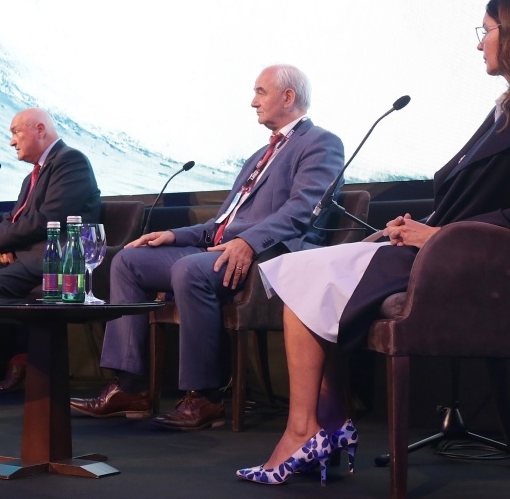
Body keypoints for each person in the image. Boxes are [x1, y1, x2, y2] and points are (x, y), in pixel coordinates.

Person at [239, 0, 510, 485]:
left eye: (487, 31)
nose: (479, 43)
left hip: (479, 267)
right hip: (453, 252)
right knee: (305, 273)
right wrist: (416, 229)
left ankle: (308, 431)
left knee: (307, 275)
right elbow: (484, 199)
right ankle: (325, 424)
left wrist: (437, 236)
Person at [71, 65, 345, 430]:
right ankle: (131, 388)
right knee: (128, 261)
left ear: (288, 97)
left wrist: (248, 242)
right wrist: (173, 235)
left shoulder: (322, 143)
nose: (253, 102)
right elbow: (221, 225)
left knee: (190, 269)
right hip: (224, 251)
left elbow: (302, 210)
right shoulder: (258, 157)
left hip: (272, 256)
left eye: (260, 92)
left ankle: (205, 397)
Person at [0, 107, 101, 389]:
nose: (12, 142)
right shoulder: (32, 176)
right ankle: (0, 360)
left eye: (15, 132)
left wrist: (1, 242)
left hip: (55, 257)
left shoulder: (71, 161)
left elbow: (49, 219)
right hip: (25, 253)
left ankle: (15, 361)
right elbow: (13, 218)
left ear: (40, 130)